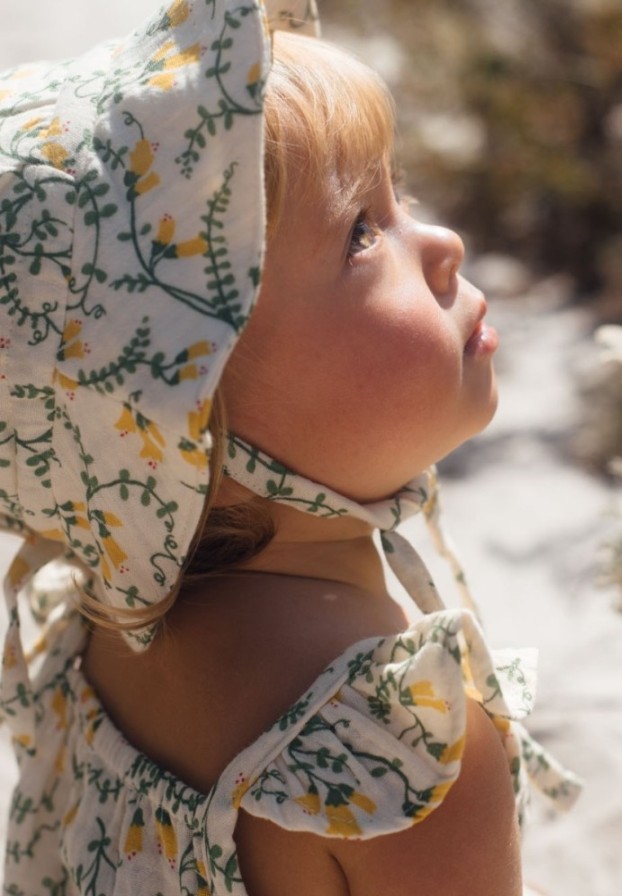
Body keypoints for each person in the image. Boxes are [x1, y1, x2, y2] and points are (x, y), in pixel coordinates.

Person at [0, 1, 580, 893]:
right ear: (189, 424)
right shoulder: (396, 763)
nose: (444, 243)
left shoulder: (99, 628)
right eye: (361, 232)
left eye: (401, 198)